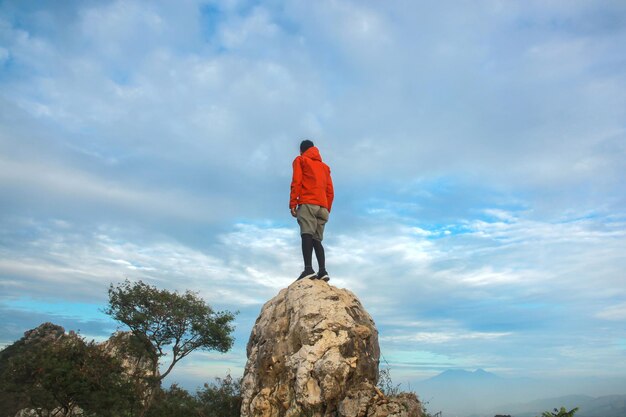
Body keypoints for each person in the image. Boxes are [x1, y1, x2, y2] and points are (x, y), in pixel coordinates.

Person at [290, 139, 334, 281]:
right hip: (323, 207)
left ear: (302, 150)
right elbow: (330, 191)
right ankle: (323, 271)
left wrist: (293, 203)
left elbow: (297, 181)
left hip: (308, 203)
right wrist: (326, 208)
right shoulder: (325, 167)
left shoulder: (301, 160)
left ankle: (308, 269)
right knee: (317, 240)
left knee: (306, 234)